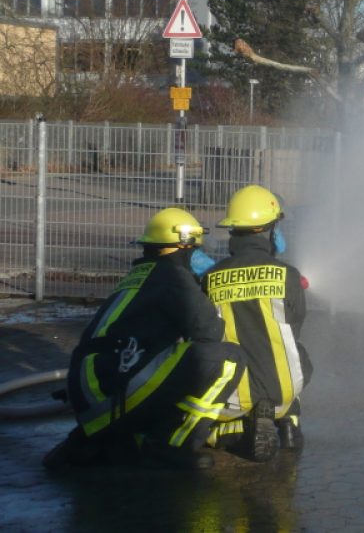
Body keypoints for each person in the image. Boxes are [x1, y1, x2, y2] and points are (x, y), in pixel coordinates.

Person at [44, 208, 247, 471]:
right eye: (194, 249)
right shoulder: (174, 278)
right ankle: (171, 443)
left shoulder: (137, 278)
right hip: (110, 396)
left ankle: (105, 438)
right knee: (229, 358)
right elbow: (209, 332)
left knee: (171, 361)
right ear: (183, 247)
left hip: (91, 396)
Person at [203, 184, 312, 463]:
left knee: (208, 426)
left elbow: (206, 334)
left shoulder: (211, 277)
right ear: (271, 231)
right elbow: (295, 327)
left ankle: (238, 430)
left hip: (235, 392)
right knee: (294, 351)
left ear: (232, 231)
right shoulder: (288, 275)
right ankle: (290, 425)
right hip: (285, 387)